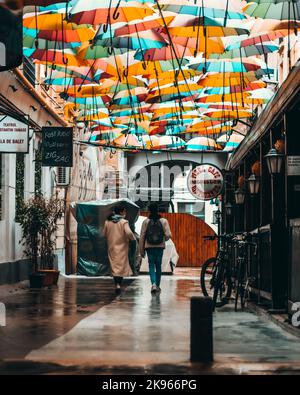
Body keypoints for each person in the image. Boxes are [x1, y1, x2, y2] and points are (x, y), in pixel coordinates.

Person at [139, 203, 172, 294]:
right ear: (158, 210)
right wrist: (163, 239)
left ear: (149, 210)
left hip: (149, 247)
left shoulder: (146, 222)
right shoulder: (163, 221)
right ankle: (157, 285)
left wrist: (141, 250)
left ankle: (153, 284)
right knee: (158, 266)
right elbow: (168, 235)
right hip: (159, 247)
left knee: (151, 266)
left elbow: (142, 236)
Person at [103, 205, 136, 294]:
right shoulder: (123, 222)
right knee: (121, 267)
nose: (125, 213)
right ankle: (119, 284)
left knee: (114, 267)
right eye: (124, 211)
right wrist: (133, 239)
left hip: (111, 247)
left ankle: (116, 284)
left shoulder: (107, 221)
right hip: (122, 247)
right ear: (121, 212)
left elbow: (104, 234)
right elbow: (129, 233)